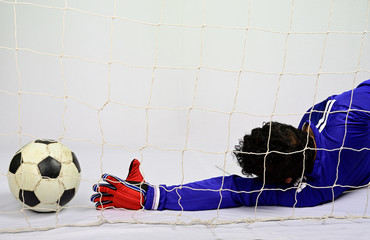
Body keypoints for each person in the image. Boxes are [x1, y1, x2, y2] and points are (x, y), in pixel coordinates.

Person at [91, 80, 370, 211]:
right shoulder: (341, 112)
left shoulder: (314, 193)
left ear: (285, 181)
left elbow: (234, 190)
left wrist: (152, 197)